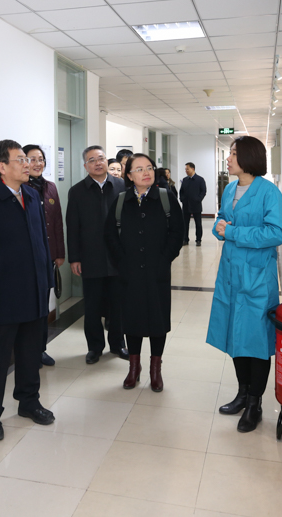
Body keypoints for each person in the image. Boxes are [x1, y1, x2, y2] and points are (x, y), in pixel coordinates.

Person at [0, 139, 56, 442]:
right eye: (21, 160)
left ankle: (29, 402)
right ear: (2, 167)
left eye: (27, 160)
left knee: (30, 353)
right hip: (3, 293)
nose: (28, 165)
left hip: (34, 289)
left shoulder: (31, 195)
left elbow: (41, 242)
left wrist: (46, 279)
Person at [207, 136, 282, 433]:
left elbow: (276, 233)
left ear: (249, 157)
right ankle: (242, 394)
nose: (228, 159)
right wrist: (219, 229)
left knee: (256, 341)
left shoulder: (269, 192)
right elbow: (222, 220)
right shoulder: (230, 188)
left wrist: (233, 233)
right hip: (230, 275)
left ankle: (255, 403)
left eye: (233, 153)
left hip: (256, 278)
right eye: (229, 153)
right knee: (236, 336)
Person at [106, 154, 184, 391]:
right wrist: (122, 262)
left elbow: (177, 233)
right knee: (132, 320)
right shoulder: (121, 201)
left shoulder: (166, 198)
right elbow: (110, 235)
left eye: (149, 167)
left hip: (157, 271)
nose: (146, 172)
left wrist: (165, 259)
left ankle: (155, 369)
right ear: (129, 176)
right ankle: (134, 367)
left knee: (158, 320)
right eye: (139, 169)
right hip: (129, 273)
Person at [66, 145, 129, 364]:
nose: (97, 163)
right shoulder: (77, 191)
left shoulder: (122, 186)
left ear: (107, 161)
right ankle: (94, 347)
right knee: (92, 307)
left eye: (101, 158)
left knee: (118, 305)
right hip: (90, 257)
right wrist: (74, 257)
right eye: (92, 160)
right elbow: (72, 227)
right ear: (85, 166)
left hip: (118, 257)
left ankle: (118, 344)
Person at [24, 144, 65, 367]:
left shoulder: (50, 188)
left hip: (47, 258)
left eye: (41, 159)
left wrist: (59, 253)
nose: (38, 163)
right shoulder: (21, 189)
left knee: (42, 307)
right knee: (29, 308)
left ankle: (40, 350)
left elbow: (57, 221)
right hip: (28, 259)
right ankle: (27, 352)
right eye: (32, 159)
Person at [179, 162, 207, 246]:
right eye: (185, 169)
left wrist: (198, 199)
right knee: (185, 224)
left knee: (198, 224)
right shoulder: (185, 180)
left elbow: (203, 191)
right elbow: (181, 191)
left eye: (187, 169)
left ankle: (198, 240)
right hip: (186, 205)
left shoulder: (200, 179)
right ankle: (185, 239)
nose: (186, 171)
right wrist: (182, 199)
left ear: (192, 169)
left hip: (196, 205)